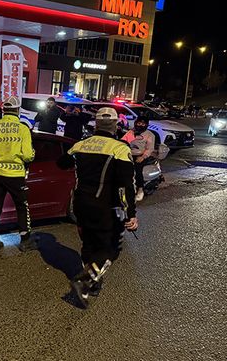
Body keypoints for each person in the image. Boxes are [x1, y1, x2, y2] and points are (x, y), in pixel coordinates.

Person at [66, 107, 138, 309]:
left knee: (89, 244)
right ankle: (84, 280)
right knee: (111, 248)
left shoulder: (81, 145)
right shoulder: (119, 148)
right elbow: (125, 185)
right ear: (115, 125)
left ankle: (94, 283)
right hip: (105, 206)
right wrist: (130, 213)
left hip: (79, 204)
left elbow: (62, 161)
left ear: (96, 124)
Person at [0, 96, 36, 253]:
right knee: (21, 206)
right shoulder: (23, 128)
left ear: (3, 110)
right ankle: (25, 240)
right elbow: (27, 155)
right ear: (18, 110)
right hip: (15, 175)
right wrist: (32, 153)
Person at [121, 115, 155, 202]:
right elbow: (123, 141)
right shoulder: (131, 132)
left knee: (137, 169)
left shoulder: (149, 135)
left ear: (146, 125)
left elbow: (149, 148)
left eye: (143, 124)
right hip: (128, 153)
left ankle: (140, 189)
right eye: (139, 123)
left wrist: (143, 157)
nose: (140, 125)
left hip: (141, 155)